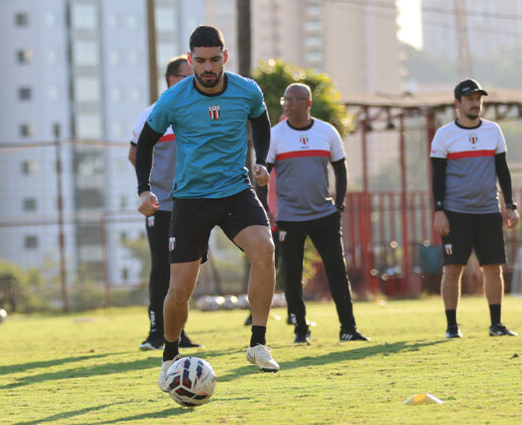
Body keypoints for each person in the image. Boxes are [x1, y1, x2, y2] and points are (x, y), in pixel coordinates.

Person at [135, 25, 280, 392]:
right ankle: (169, 357)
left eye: (215, 59)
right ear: (190, 60)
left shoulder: (247, 90)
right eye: (200, 60)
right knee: (180, 289)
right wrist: (144, 190)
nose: (208, 67)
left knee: (264, 249)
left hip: (235, 190)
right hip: (191, 199)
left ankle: (258, 343)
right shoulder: (173, 99)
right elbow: (146, 144)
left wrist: (262, 161)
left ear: (224, 57)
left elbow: (261, 124)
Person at [267, 83, 369, 345]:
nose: (287, 105)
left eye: (293, 100)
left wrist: (340, 204)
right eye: (285, 100)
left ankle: (348, 328)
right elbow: (262, 175)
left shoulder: (326, 131)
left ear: (308, 103)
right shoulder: (275, 135)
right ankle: (301, 330)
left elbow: (341, 169)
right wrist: (267, 211)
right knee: (291, 274)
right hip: (289, 216)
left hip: (324, 215)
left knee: (337, 271)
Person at [431, 78, 520, 339]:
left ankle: (496, 325)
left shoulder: (493, 131)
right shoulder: (444, 134)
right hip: (455, 213)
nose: (475, 103)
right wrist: (439, 211)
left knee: (493, 268)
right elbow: (437, 177)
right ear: (457, 103)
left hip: (488, 212)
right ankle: (451, 327)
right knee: (453, 268)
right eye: (469, 99)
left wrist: (510, 205)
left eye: (478, 98)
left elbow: (503, 171)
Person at [129, 55, 203, 351]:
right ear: (173, 80)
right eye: (188, 74)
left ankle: (178, 332)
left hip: (190, 204)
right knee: (161, 265)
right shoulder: (151, 115)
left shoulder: (194, 113)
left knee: (184, 268)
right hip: (160, 207)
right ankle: (155, 332)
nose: (195, 78)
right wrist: (149, 187)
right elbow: (135, 155)